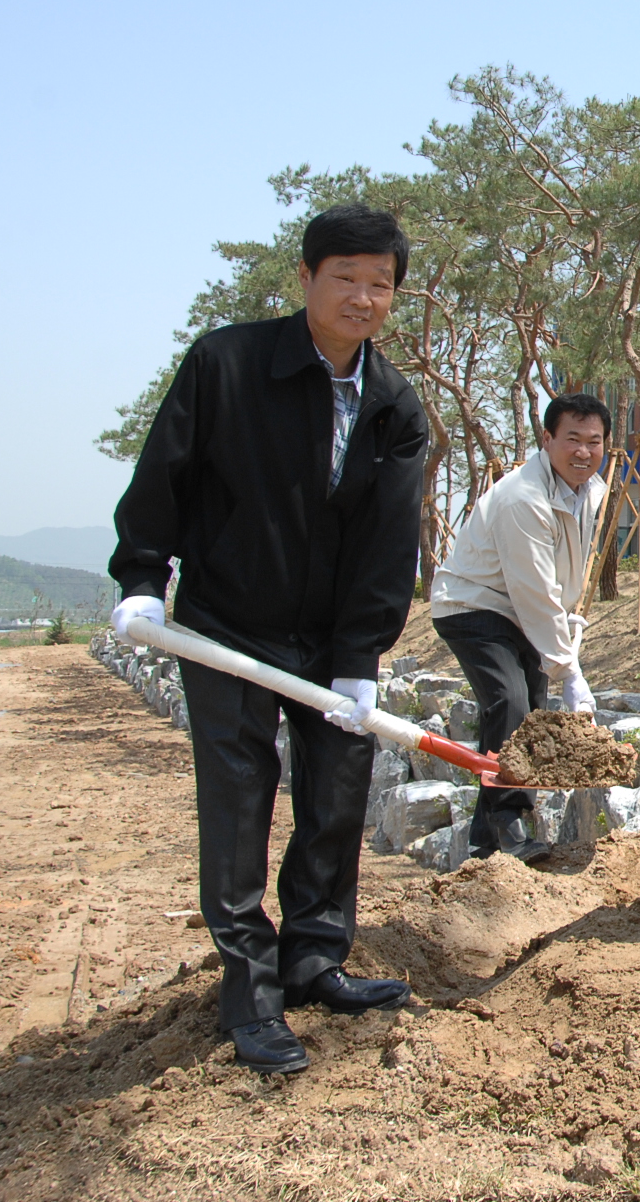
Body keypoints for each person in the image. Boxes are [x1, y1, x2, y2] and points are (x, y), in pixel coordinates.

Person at [109, 204, 430, 1074]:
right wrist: (141, 580)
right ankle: (250, 993)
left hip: (328, 643)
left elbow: (388, 543)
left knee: (336, 795)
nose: (362, 298)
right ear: (306, 277)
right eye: (345, 277)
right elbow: (163, 475)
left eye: (380, 284)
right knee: (240, 798)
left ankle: (315, 960)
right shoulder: (226, 364)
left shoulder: (395, 406)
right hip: (227, 623)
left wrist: (359, 659)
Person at [429, 392, 611, 860]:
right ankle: (508, 829)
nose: (584, 452)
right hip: (472, 603)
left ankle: (487, 839)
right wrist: (570, 672)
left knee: (530, 709)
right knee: (509, 701)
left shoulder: (589, 489)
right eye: (572, 439)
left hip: (518, 609)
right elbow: (532, 589)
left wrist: (564, 618)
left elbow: (552, 573)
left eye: (594, 441)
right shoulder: (522, 497)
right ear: (547, 439)